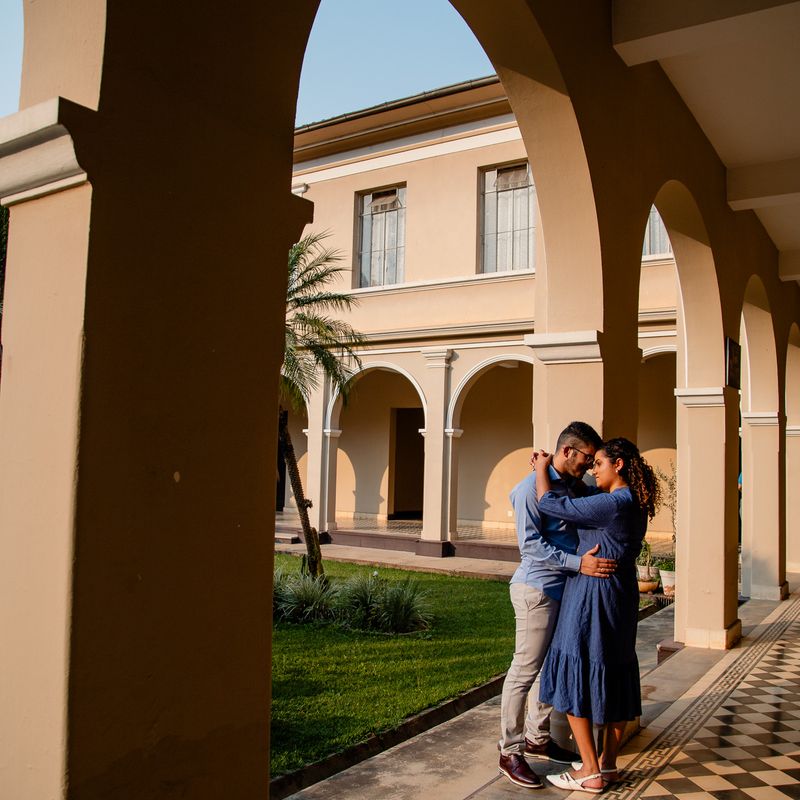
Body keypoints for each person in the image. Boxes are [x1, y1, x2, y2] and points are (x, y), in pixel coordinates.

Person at [533, 438, 660, 793]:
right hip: (621, 592)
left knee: (577, 666)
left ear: (618, 465)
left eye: (599, 463)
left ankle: (588, 771)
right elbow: (581, 498)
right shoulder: (634, 501)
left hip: (593, 593)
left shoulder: (613, 503)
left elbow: (549, 504)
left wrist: (542, 468)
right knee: (616, 668)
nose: (593, 469)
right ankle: (608, 763)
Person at [498, 421, 617, 790]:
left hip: (564, 592)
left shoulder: (567, 486)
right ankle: (510, 751)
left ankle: (537, 735)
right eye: (585, 458)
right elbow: (531, 547)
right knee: (524, 670)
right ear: (567, 451)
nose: (589, 466)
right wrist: (578, 563)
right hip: (536, 591)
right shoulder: (526, 491)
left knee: (550, 667)